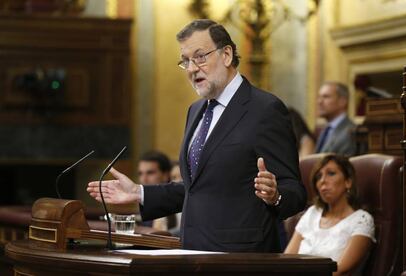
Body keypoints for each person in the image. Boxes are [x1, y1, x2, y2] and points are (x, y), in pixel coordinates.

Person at [87, 19, 306, 252]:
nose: (191, 68)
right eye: (186, 61)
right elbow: (197, 189)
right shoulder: (196, 111)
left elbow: (295, 191)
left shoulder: (265, 109)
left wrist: (276, 196)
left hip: (241, 259)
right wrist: (138, 192)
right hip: (193, 253)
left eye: (200, 57)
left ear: (227, 55)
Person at [284, 154, 375, 275]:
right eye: (319, 176)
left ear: (348, 182)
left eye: (331, 173)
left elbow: (340, 270)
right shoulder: (312, 213)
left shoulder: (361, 220)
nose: (322, 181)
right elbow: (286, 260)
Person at [136, 150, 174, 231]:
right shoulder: (143, 204)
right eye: (140, 173)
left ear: (165, 175)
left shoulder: (177, 203)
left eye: (150, 173)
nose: (144, 179)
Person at [315, 82, 356, 156]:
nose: (319, 102)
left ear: (342, 101)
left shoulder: (351, 132)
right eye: (319, 97)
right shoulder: (325, 130)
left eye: (326, 97)